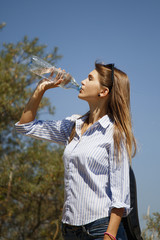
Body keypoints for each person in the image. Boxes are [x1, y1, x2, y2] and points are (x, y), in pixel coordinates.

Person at [15, 62, 137, 240]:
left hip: (100, 229)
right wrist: (41, 88)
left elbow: (120, 197)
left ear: (103, 92)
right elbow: (25, 127)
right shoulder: (73, 125)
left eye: (89, 78)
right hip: (70, 229)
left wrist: (109, 235)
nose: (82, 82)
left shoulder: (114, 134)